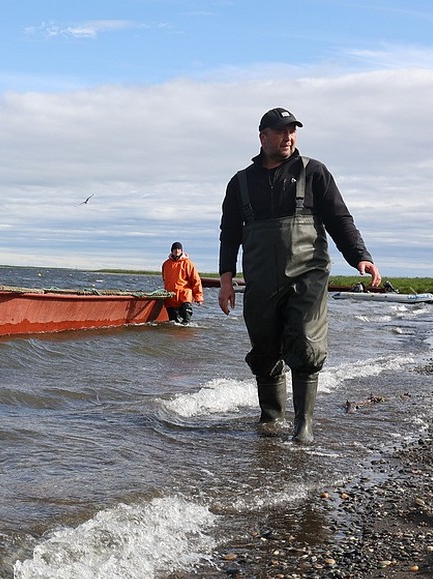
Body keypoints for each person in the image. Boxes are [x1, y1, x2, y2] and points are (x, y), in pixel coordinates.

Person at [217, 107, 380, 444]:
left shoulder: (314, 172)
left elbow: (339, 219)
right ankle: (271, 419)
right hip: (261, 279)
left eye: (292, 130)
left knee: (306, 344)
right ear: (263, 137)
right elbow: (229, 233)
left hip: (308, 274)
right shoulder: (241, 183)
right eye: (280, 131)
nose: (288, 137)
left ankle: (303, 424)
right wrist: (226, 281)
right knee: (264, 349)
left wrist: (359, 257)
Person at [161, 242, 204, 324]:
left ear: (181, 251)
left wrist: (199, 297)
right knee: (173, 322)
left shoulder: (188, 263)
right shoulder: (166, 264)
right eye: (175, 249)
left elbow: (196, 280)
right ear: (171, 251)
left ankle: (185, 335)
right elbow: (164, 279)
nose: (176, 251)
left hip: (184, 295)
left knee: (186, 321)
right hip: (171, 297)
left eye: (178, 249)